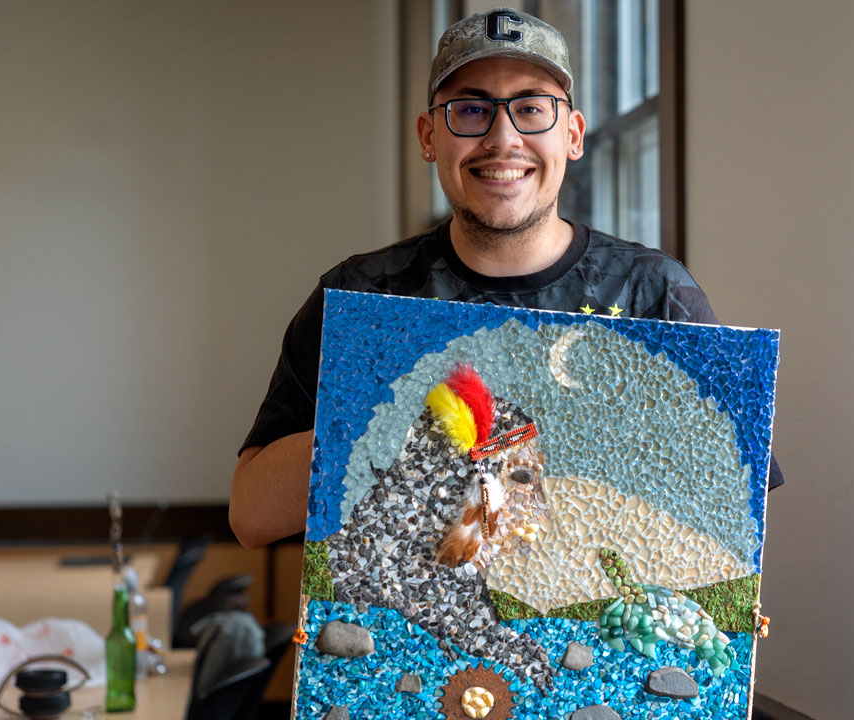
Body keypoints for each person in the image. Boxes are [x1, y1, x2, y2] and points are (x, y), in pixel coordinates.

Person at [229, 7, 781, 549]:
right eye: (470, 110)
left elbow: (731, 505)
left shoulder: (652, 293)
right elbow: (250, 517)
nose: (502, 138)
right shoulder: (359, 294)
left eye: (532, 108)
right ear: (428, 136)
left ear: (573, 133)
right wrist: (392, 414)